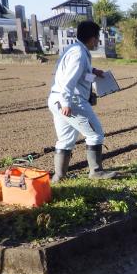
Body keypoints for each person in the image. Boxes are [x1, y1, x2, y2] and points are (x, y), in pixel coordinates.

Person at [48, 20, 116, 183]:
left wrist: (93, 72)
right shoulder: (79, 54)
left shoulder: (73, 49)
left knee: (65, 139)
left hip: (56, 99)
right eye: (97, 38)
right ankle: (96, 171)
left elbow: (75, 73)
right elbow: (68, 81)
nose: (98, 42)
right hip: (71, 101)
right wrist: (66, 103)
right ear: (92, 38)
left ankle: (59, 177)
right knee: (95, 134)